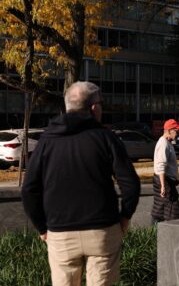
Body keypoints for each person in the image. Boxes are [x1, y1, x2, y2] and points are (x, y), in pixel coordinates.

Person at [21, 81, 141, 286]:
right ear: (94, 108)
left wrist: (42, 228)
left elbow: (29, 190)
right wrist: (125, 217)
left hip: (60, 233)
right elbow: (130, 184)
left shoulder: (47, 141)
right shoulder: (106, 138)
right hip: (102, 230)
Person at [151, 119, 179, 224]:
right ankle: (167, 233)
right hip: (164, 181)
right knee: (171, 210)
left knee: (161, 210)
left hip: (166, 181)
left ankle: (155, 234)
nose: (178, 133)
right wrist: (163, 185)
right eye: (177, 130)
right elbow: (161, 165)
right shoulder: (163, 144)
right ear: (170, 131)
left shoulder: (167, 143)